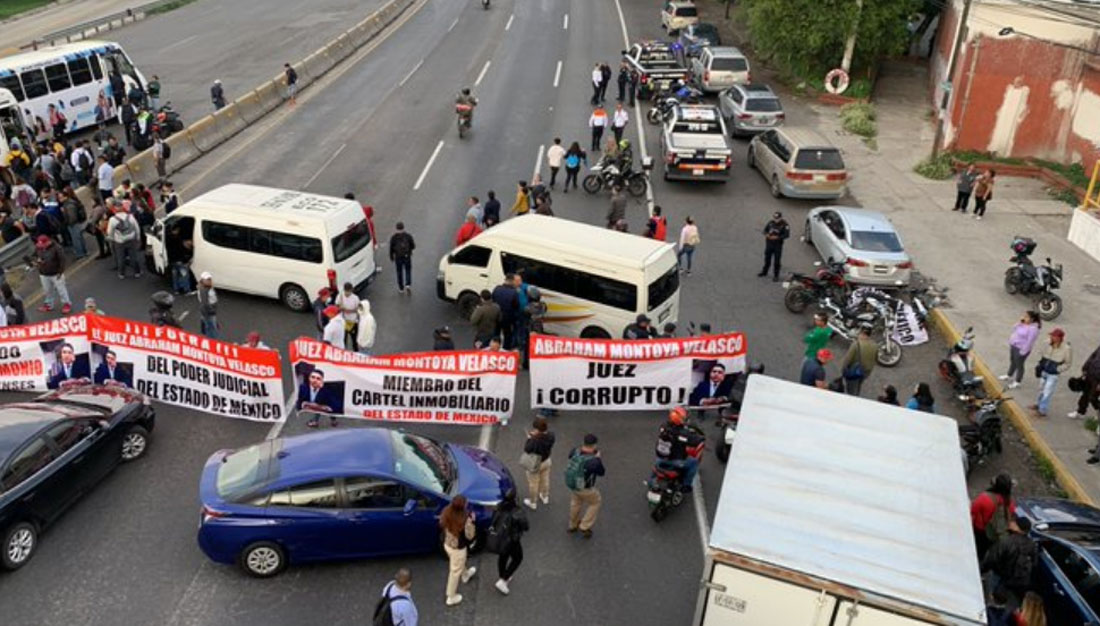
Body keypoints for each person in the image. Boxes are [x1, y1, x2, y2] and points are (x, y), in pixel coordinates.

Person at [981, 516, 1037, 610]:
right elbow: (1034, 563)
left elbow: (992, 558)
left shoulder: (1006, 541)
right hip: (1018, 583)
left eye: (1014, 522)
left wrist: (982, 569)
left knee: (994, 603)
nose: (1010, 523)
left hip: (1001, 578)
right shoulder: (1032, 544)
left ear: (1017, 527)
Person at [439, 495, 478, 606]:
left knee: (459, 563)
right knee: (455, 571)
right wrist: (473, 522)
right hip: (458, 548)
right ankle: (451, 596)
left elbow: (442, 524)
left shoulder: (446, 511)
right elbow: (470, 536)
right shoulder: (465, 518)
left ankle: (465, 575)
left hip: (448, 543)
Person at [654, 406, 704, 491]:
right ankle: (686, 485)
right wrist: (702, 438)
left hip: (660, 458)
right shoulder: (683, 433)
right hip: (674, 460)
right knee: (693, 463)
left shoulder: (664, 426)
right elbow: (695, 441)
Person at [565, 434, 605, 538]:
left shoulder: (575, 451)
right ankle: (585, 525)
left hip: (573, 484)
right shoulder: (594, 461)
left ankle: (572, 524)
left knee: (575, 503)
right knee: (595, 502)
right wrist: (598, 459)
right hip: (586, 487)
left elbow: (570, 456)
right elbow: (601, 472)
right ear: (594, 445)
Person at [490, 490, 529, 595]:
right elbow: (526, 526)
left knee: (503, 556)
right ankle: (504, 580)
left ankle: (502, 575)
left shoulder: (499, 506)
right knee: (518, 558)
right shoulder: (517, 512)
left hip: (500, 537)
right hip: (512, 539)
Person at [971, 472, 1016, 561]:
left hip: (981, 530)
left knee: (978, 550)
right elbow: (1010, 516)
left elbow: (972, 512)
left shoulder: (983, 498)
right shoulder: (1009, 502)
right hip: (996, 533)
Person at [1030, 328, 1072, 418]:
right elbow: (1040, 352)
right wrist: (1040, 363)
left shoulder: (1066, 349)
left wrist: (1058, 369)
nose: (1052, 337)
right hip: (1044, 370)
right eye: (1052, 336)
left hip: (1053, 374)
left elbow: (1068, 363)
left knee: (1047, 392)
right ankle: (1038, 404)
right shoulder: (1046, 343)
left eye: (1054, 336)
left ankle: (1042, 410)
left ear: (1060, 338)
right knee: (1041, 389)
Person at [1000, 311, 1041, 390]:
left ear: (1032, 319)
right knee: (1013, 361)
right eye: (1024, 316)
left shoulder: (1033, 329)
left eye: (1026, 317)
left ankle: (1017, 381)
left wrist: (1023, 351)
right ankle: (1009, 375)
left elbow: (1030, 341)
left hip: (1021, 348)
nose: (1024, 318)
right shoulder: (1023, 324)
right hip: (1014, 345)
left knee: (1019, 365)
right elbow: (1014, 328)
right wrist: (1020, 322)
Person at [33, 235, 72, 314]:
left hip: (56, 273)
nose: (41, 246)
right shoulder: (38, 248)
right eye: (40, 245)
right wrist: (36, 261)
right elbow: (34, 256)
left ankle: (66, 304)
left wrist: (60, 272)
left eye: (42, 244)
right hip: (43, 273)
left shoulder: (57, 248)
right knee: (47, 290)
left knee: (61, 289)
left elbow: (62, 260)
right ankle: (49, 304)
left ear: (47, 242)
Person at [522, 417, 554, 510]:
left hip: (536, 463)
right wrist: (536, 436)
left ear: (537, 429)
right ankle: (545, 496)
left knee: (533, 483)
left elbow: (527, 449)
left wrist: (530, 438)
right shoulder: (551, 435)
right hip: (547, 460)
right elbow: (543, 438)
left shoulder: (535, 440)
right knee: (545, 479)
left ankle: (533, 502)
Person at [841, 325, 877, 396]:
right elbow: (875, 359)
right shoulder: (875, 345)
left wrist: (843, 370)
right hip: (865, 372)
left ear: (862, 333)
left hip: (854, 371)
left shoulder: (856, 344)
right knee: (858, 385)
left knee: (851, 390)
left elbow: (848, 359)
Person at [1070, 339, 1100, 420]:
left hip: (1098, 379)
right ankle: (1080, 412)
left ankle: (1098, 412)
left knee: (1093, 397)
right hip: (1091, 373)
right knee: (1085, 395)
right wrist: (1085, 368)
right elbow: (1092, 356)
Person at [758, 211, 789, 282]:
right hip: (769, 244)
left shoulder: (785, 225)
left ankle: (776, 276)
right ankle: (764, 272)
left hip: (777, 245)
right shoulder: (770, 223)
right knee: (767, 259)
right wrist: (766, 234)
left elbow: (787, 235)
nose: (776, 219)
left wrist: (777, 237)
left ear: (781, 218)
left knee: (777, 261)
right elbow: (765, 230)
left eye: (777, 218)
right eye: (774, 218)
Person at [491, 276, 519, 349]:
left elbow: (492, 300)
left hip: (496, 315)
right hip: (507, 317)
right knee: (507, 335)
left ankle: (494, 348)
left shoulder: (497, 288)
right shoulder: (514, 292)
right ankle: (506, 349)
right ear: (512, 281)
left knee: (496, 333)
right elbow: (516, 306)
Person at [389, 222, 415, 294]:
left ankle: (401, 288)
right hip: (407, 256)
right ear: (403, 228)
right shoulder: (408, 236)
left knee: (399, 272)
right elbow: (413, 246)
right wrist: (410, 251)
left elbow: (391, 248)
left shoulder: (394, 238)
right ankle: (408, 284)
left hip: (398, 257)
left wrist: (391, 256)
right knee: (408, 270)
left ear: (396, 229)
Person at [335, 281, 360, 350]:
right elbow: (336, 305)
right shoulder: (340, 296)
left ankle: (356, 352)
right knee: (343, 340)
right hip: (343, 321)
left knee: (354, 340)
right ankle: (344, 352)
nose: (347, 293)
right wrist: (340, 308)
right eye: (346, 291)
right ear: (344, 290)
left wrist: (349, 311)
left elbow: (359, 310)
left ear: (351, 290)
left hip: (353, 322)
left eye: (349, 292)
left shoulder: (356, 298)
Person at [197, 272, 219, 339]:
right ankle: (212, 341)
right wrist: (212, 311)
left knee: (210, 327)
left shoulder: (207, 287)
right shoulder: (204, 290)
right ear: (202, 280)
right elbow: (205, 303)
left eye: (209, 279)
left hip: (208, 312)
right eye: (207, 279)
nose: (209, 280)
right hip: (208, 313)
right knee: (211, 329)